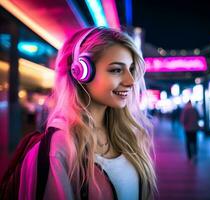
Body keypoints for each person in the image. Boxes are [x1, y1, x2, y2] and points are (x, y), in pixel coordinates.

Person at [19, 27, 157, 200]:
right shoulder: (59, 147)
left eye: (131, 69)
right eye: (116, 70)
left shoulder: (125, 134)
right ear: (82, 71)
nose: (130, 81)